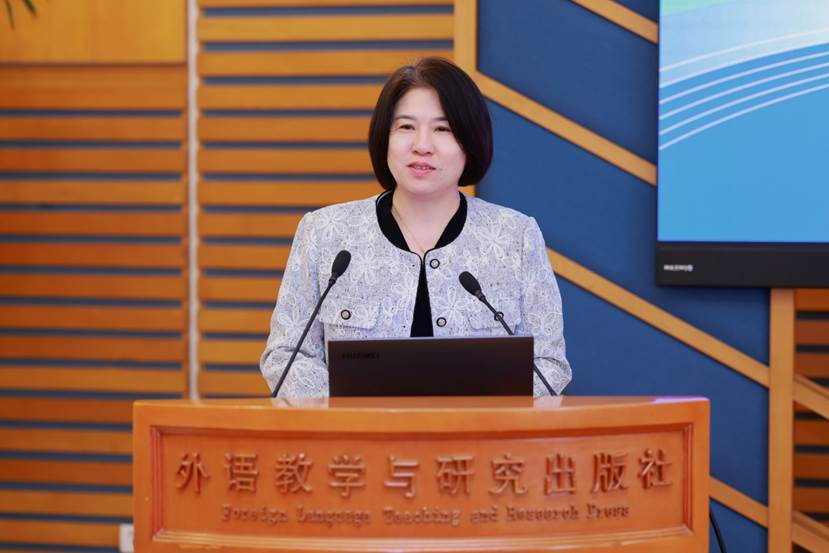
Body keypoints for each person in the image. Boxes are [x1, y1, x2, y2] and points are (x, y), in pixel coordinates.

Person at [260, 57, 571, 398]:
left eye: (443, 129)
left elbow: (548, 364)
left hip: (479, 433)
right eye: (406, 127)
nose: (422, 145)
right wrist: (356, 415)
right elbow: (286, 356)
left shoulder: (515, 237)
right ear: (385, 138)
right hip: (355, 432)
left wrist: (470, 416)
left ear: (470, 142)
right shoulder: (325, 233)